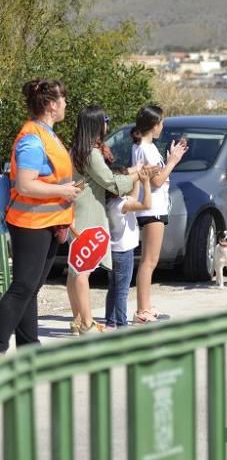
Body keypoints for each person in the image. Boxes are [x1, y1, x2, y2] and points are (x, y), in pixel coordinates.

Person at [0, 80, 80, 353]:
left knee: (31, 289)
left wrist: (65, 214)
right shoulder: (33, 139)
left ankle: (29, 350)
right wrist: (63, 191)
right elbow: (24, 184)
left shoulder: (47, 134)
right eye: (63, 98)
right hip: (31, 223)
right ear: (50, 104)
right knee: (23, 287)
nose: (66, 103)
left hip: (47, 223)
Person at [68, 105, 139, 333]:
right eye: (105, 120)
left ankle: (78, 319)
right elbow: (110, 182)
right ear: (97, 124)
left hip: (75, 213)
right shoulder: (91, 153)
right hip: (88, 215)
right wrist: (137, 176)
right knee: (83, 271)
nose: (107, 124)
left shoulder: (76, 150)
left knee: (75, 269)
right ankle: (87, 323)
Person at [130, 104, 188, 323]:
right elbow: (156, 180)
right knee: (149, 261)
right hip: (152, 207)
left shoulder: (144, 147)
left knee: (149, 260)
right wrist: (173, 161)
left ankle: (145, 306)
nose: (162, 126)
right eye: (161, 122)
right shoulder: (145, 148)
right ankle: (142, 310)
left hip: (155, 205)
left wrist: (169, 159)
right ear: (154, 125)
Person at [105, 166, 153, 329]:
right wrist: (146, 182)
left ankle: (111, 320)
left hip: (113, 250)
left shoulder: (112, 202)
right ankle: (121, 322)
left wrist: (138, 179)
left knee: (113, 288)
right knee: (122, 290)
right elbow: (146, 204)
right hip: (124, 252)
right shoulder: (122, 205)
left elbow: (133, 196)